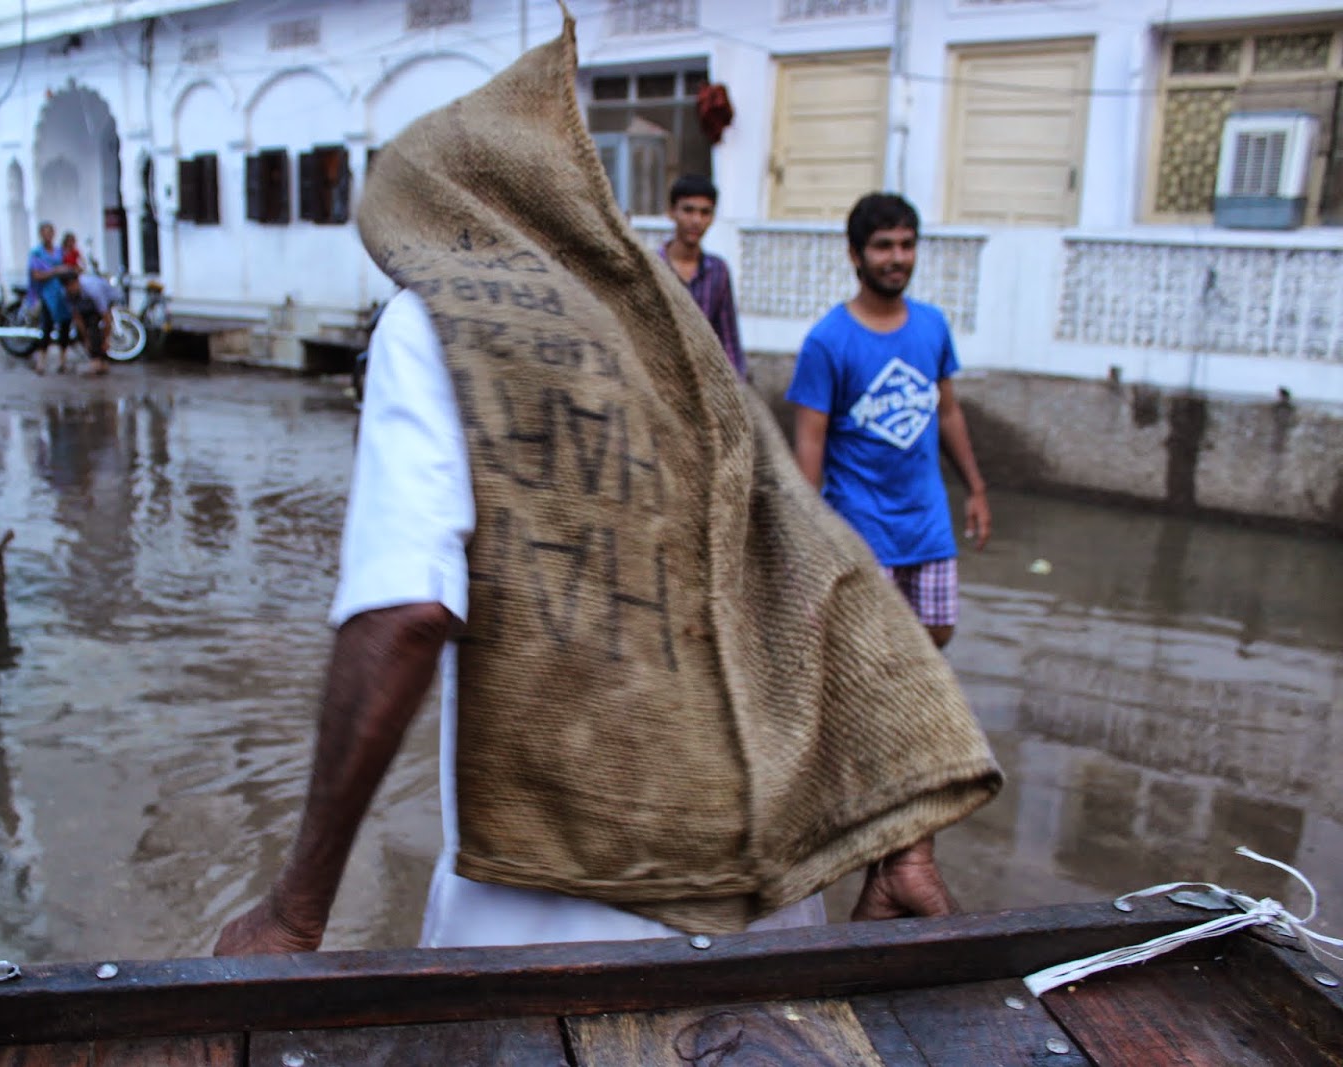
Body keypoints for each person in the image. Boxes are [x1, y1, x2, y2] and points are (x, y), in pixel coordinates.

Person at [215, 21, 999, 958]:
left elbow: (405, 613)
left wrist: (295, 908)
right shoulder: (675, 332)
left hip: (546, 927)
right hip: (763, 917)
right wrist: (904, 840)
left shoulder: (432, 322)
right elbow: (814, 567)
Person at [787, 193, 992, 650]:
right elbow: (810, 443)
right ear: (855, 255)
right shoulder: (827, 342)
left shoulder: (932, 326)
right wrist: (805, 530)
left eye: (906, 245)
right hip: (861, 526)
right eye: (883, 246)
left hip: (928, 522)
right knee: (867, 647)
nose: (897, 258)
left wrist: (976, 489)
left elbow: (948, 411)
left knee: (937, 634)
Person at [658, 174, 745, 378]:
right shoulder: (653, 267)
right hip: (659, 379)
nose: (696, 220)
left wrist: (736, 383)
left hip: (704, 380)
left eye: (705, 212)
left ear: (712, 218)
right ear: (672, 212)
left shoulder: (718, 270)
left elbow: (728, 337)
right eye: (688, 210)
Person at [26, 222, 74, 374]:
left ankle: (63, 361)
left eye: (50, 232)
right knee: (47, 326)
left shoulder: (60, 251)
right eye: (45, 232)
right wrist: (54, 271)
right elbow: (36, 275)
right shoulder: (37, 253)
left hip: (62, 293)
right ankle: (41, 362)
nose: (48, 235)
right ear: (41, 234)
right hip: (47, 293)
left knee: (65, 326)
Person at [60, 272, 111, 377]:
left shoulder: (94, 290)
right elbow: (77, 317)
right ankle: (97, 360)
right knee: (85, 330)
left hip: (105, 300)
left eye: (72, 285)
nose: (71, 288)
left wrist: (106, 340)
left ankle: (99, 361)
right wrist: (85, 338)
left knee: (94, 326)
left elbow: (106, 316)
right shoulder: (66, 294)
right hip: (85, 307)